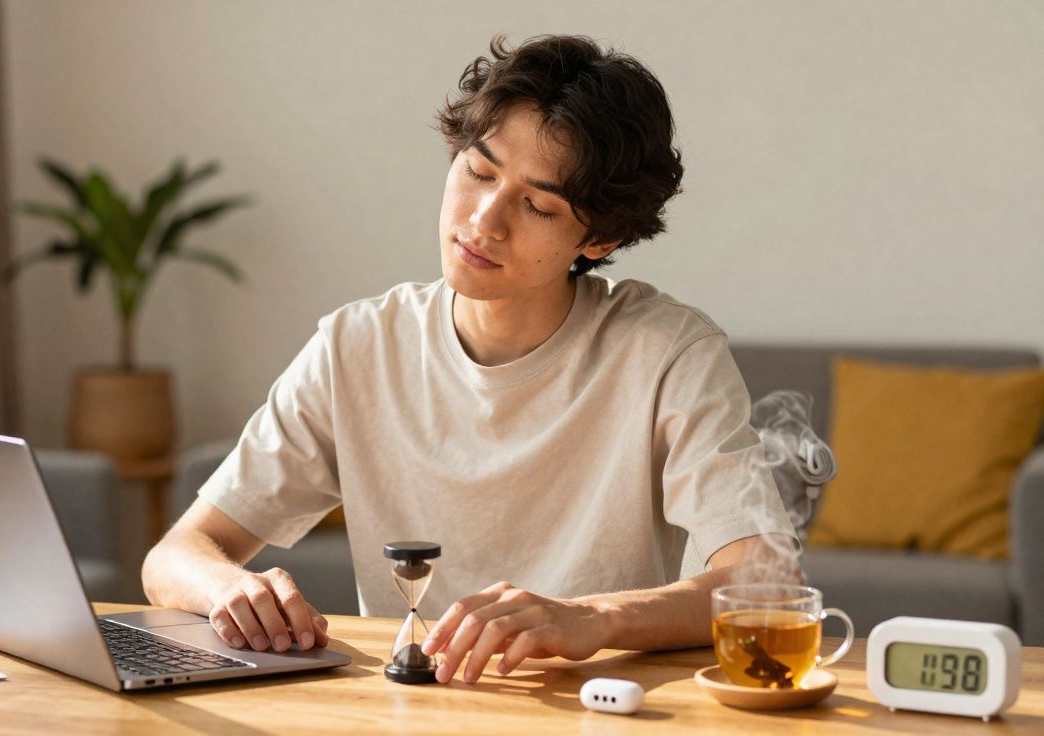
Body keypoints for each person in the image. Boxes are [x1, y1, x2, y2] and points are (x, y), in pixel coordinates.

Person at [142, 33, 797, 685]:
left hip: (591, 709)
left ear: (600, 237)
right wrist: (229, 587)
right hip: (403, 712)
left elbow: (767, 582)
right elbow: (176, 555)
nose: (485, 221)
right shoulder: (356, 348)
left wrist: (589, 618)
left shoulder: (667, 353)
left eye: (538, 205)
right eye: (478, 172)